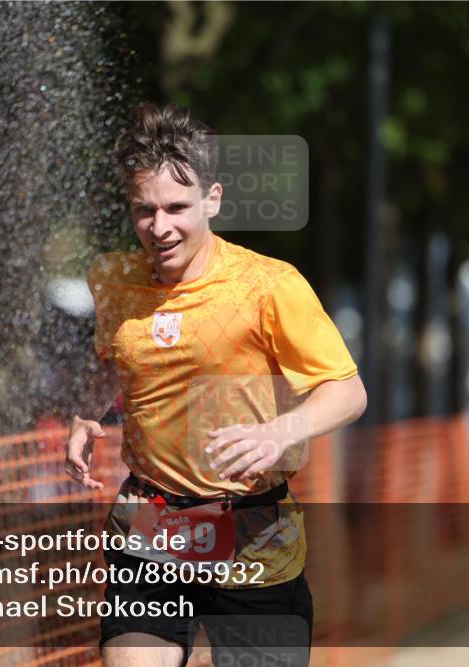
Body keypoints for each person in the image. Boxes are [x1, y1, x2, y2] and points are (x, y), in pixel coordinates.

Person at [66, 103, 366, 667]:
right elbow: (119, 357)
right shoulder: (113, 279)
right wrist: (89, 414)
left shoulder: (270, 286)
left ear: (214, 199)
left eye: (177, 208)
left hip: (254, 532)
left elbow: (348, 391)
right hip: (152, 524)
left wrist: (282, 431)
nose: (160, 228)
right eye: (144, 210)